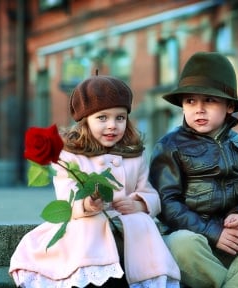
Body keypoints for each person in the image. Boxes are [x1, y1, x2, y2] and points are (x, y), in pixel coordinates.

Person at [10, 75, 180, 288]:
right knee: (89, 225)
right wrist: (86, 204)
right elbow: (67, 196)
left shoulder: (133, 154)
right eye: (102, 118)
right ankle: (95, 278)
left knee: (142, 222)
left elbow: (149, 191)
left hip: (127, 225)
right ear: (85, 120)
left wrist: (139, 203)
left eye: (120, 118)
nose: (112, 125)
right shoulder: (70, 155)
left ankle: (143, 278)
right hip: (88, 225)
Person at [148, 52, 238, 288]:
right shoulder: (169, 146)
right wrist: (213, 232)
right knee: (179, 243)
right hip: (197, 245)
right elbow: (167, 204)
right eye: (190, 101)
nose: (199, 109)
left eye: (209, 100)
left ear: (229, 106)